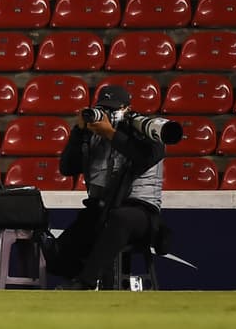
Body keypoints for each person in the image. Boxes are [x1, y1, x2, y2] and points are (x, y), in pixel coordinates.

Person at [49, 85, 167, 290]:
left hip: (141, 212)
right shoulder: (93, 137)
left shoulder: (145, 131)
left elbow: (144, 157)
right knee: (57, 257)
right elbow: (67, 168)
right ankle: (90, 281)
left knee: (119, 218)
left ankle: (86, 282)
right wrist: (79, 133)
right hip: (102, 209)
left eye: (113, 109)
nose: (108, 114)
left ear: (127, 109)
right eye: (104, 109)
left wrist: (111, 134)